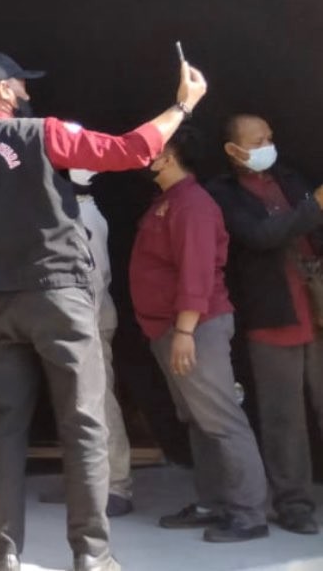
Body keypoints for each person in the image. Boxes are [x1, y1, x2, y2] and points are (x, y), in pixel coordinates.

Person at [0, 51, 208, 571]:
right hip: (57, 295)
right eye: (21, 85)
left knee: (3, 428)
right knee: (83, 422)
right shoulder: (42, 132)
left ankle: (0, 554)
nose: (28, 91)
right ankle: (92, 557)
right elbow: (129, 150)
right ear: (5, 91)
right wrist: (182, 107)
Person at [130, 126, 269, 543]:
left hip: (194, 328)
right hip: (171, 329)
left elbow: (196, 273)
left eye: (153, 148)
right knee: (199, 420)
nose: (145, 155)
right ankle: (214, 502)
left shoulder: (191, 204)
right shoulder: (169, 201)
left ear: (169, 156)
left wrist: (185, 330)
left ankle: (248, 514)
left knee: (222, 420)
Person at [208, 114, 323, 536]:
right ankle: (294, 503)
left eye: (270, 138)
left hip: (317, 310)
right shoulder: (222, 194)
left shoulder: (291, 178)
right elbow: (261, 235)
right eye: (258, 140)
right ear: (233, 150)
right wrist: (315, 208)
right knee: (284, 420)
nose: (268, 146)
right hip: (272, 315)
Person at [39, 168, 134, 517]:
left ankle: (116, 485)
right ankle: (85, 482)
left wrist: (81, 325)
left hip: (88, 320)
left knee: (100, 402)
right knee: (77, 405)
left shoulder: (82, 216)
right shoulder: (75, 211)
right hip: (77, 322)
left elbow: (91, 278)